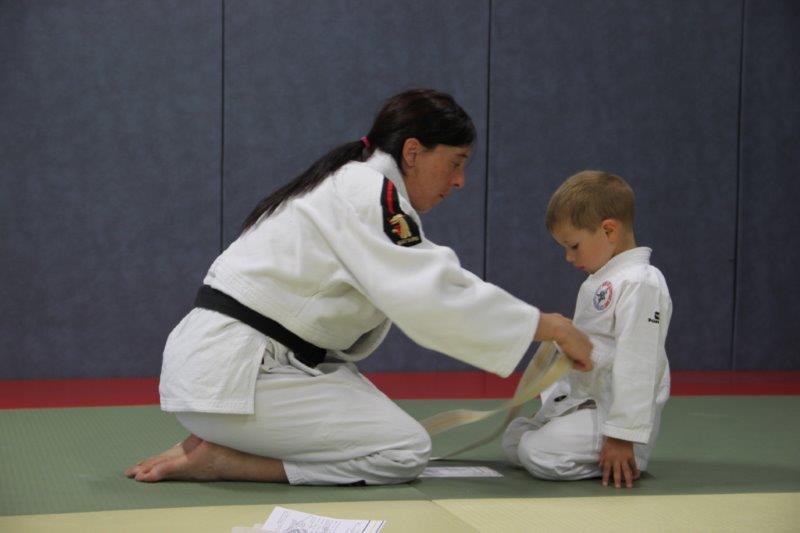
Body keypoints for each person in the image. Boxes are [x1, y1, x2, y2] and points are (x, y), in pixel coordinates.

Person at [125, 89, 593, 486]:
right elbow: (433, 294)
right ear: (413, 152)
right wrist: (551, 327)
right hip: (237, 376)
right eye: (455, 163)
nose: (459, 181)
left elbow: (429, 277)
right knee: (405, 450)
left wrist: (538, 325)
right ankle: (227, 460)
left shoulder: (350, 184)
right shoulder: (368, 194)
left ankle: (223, 436)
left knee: (384, 427)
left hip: (236, 368)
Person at [502, 170, 671, 488]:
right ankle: (570, 438)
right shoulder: (602, 279)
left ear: (609, 230)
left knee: (536, 452)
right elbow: (592, 351)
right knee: (514, 441)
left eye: (574, 246)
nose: (569, 257)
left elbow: (640, 363)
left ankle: (625, 455)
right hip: (584, 404)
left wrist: (622, 436)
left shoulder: (642, 281)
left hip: (614, 418)